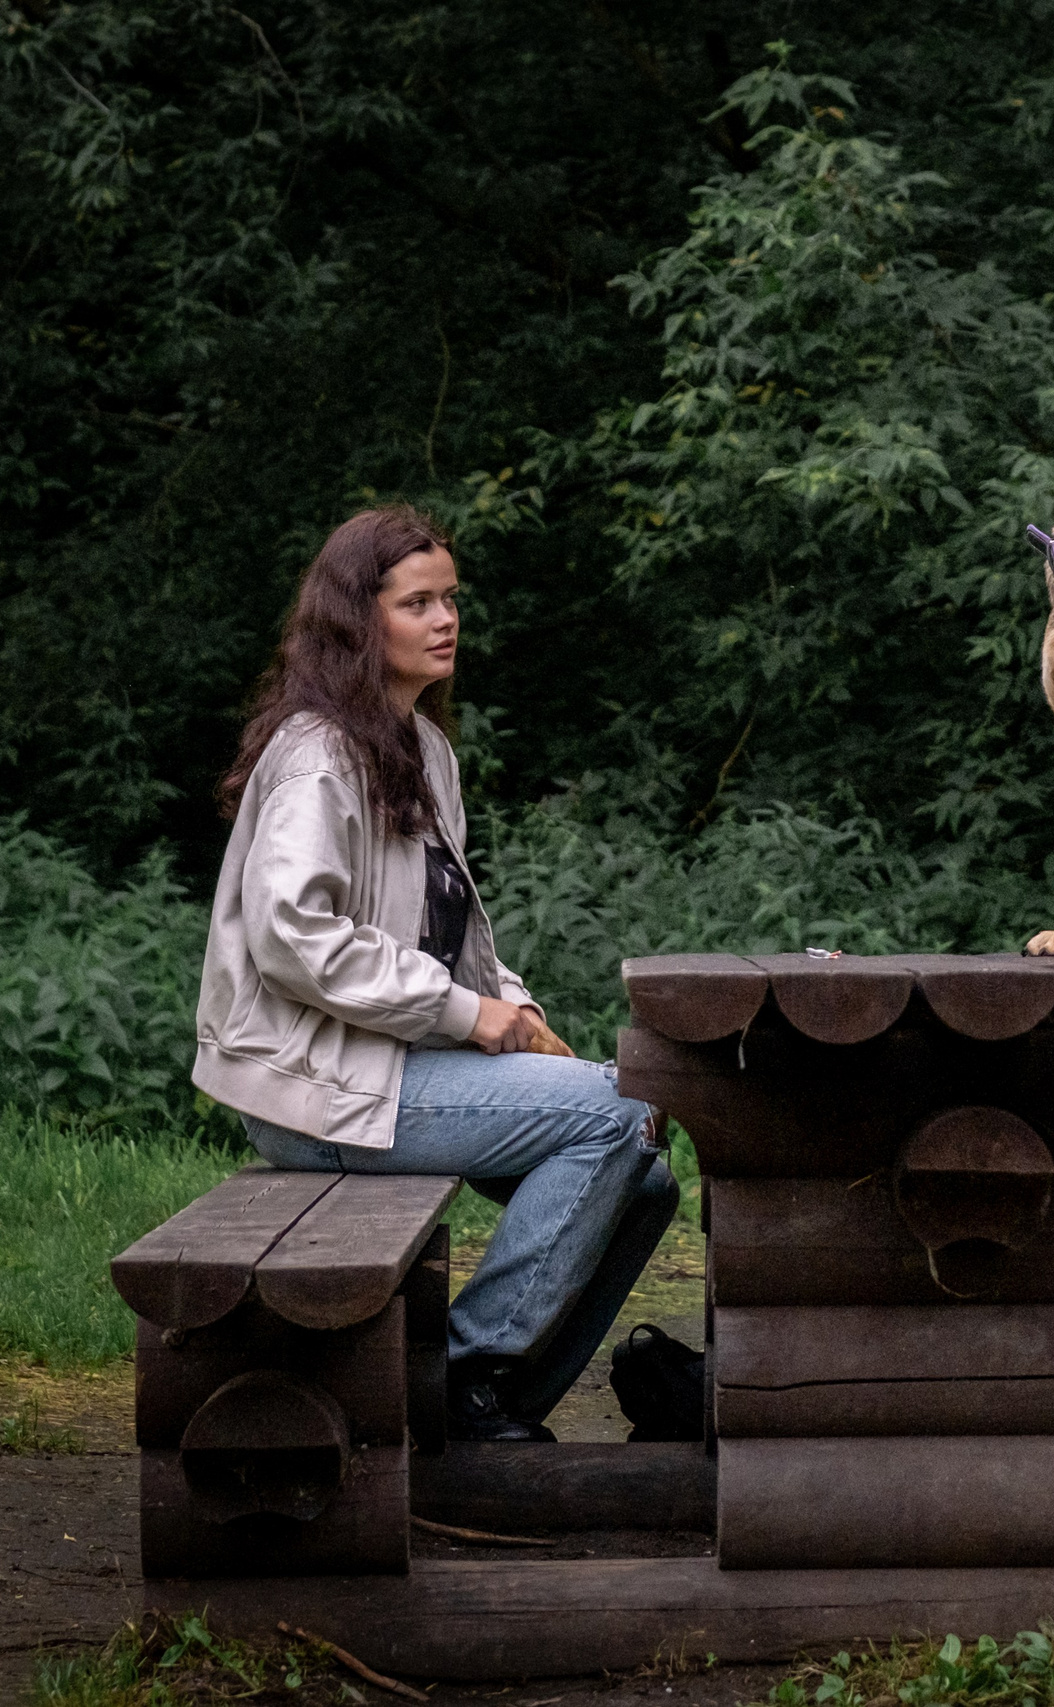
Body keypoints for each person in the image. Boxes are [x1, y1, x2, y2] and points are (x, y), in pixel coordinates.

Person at [194, 504, 679, 1443]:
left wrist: (516, 1008)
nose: (446, 618)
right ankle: (462, 1374)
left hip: (391, 1063)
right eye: (418, 603)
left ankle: (497, 1407)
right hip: (317, 1086)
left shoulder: (419, 748)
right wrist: (471, 1017)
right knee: (618, 1115)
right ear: (357, 620)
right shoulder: (318, 757)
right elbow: (293, 936)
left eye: (450, 598)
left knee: (645, 1172)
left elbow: (449, 931)